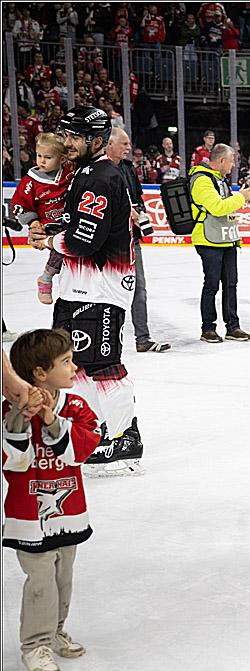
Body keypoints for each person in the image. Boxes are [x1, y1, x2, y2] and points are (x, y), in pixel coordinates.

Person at [27, 105, 143, 478]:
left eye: (75, 136)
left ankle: (126, 440)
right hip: (77, 289)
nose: (68, 142)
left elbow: (83, 242)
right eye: (67, 135)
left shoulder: (100, 177)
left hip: (100, 290)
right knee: (75, 366)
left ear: (96, 140)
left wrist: (49, 241)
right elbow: (75, 226)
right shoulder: (85, 174)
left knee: (103, 366)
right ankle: (97, 432)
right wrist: (48, 229)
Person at [3, 328, 101, 671]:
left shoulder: (74, 407)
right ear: (39, 373)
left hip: (68, 513)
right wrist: (21, 416)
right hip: (29, 516)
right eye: (67, 362)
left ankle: (55, 630)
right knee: (40, 580)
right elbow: (12, 460)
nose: (75, 368)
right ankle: (35, 644)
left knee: (63, 578)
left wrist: (50, 419)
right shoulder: (11, 410)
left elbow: (82, 450)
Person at [106, 126, 171, 354]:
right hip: (105, 242)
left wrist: (139, 213)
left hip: (131, 239)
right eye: (124, 144)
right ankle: (106, 341)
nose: (128, 148)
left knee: (138, 288)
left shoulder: (128, 168)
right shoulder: (94, 170)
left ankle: (142, 338)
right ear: (109, 144)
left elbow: (138, 198)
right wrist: (126, 211)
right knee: (106, 291)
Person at [188, 143, 250, 343]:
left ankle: (233, 327)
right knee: (211, 285)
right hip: (208, 239)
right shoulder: (201, 180)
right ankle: (208, 328)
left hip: (226, 238)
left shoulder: (219, 180)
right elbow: (217, 207)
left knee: (231, 284)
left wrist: (238, 198)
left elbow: (224, 206)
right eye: (232, 160)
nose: (234, 165)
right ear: (221, 160)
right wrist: (241, 198)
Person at [10, 133, 73, 306]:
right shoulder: (30, 181)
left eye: (48, 157)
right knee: (62, 245)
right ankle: (46, 277)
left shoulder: (69, 172)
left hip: (69, 222)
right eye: (39, 156)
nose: (42, 161)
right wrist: (32, 222)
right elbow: (20, 203)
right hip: (49, 227)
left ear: (62, 159)